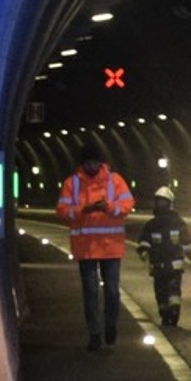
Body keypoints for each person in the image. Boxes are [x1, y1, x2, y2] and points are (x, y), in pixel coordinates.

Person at [57, 142, 136, 351]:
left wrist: (108, 207)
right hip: (86, 248)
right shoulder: (71, 184)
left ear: (101, 162)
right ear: (82, 164)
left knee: (112, 291)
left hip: (111, 247)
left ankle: (110, 325)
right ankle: (94, 334)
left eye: (95, 162)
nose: (92, 166)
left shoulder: (115, 181)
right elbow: (63, 211)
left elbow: (127, 205)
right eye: (88, 163)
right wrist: (84, 209)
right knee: (90, 292)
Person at [134, 186, 191, 327]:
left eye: (163, 202)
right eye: (159, 202)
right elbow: (187, 242)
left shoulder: (153, 224)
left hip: (161, 265)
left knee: (163, 290)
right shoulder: (170, 223)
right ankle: (169, 311)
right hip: (167, 265)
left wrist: (143, 251)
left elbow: (187, 243)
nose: (161, 205)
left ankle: (169, 311)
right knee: (169, 290)